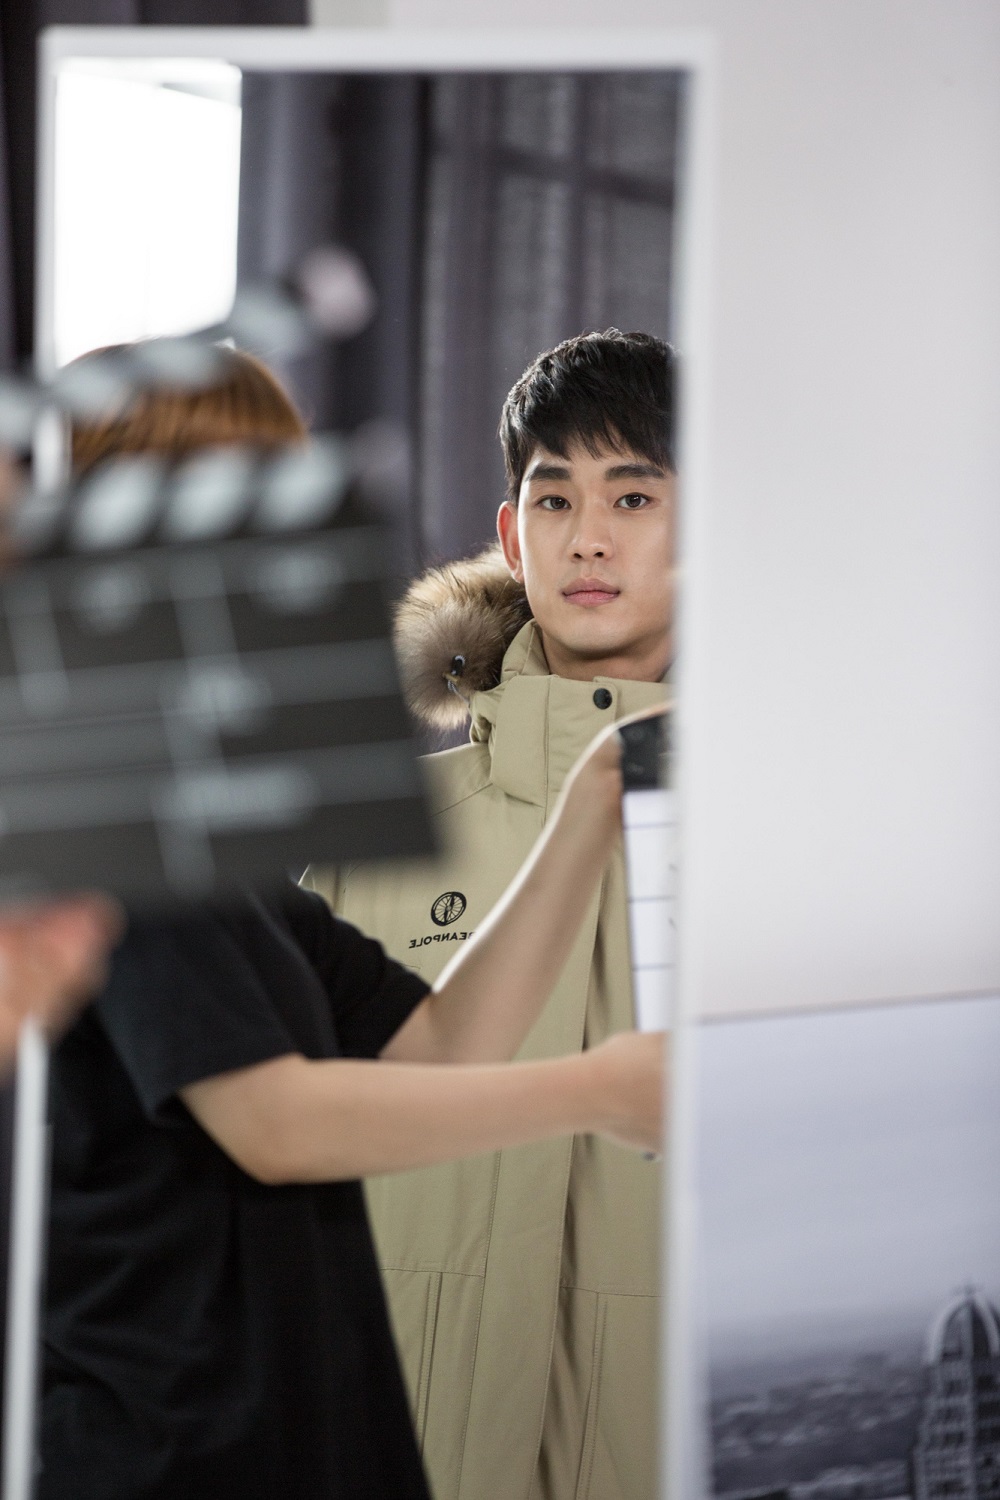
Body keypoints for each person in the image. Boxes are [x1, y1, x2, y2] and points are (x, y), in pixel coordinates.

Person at [41, 344, 665, 1500]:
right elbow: (276, 1124)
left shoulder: (217, 842)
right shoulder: (100, 804)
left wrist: (585, 812)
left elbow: (440, 1049)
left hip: (301, 1448)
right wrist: (598, 1089)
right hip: (166, 1466)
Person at [307, 328, 675, 1500]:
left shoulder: (793, 843)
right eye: (555, 498)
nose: (589, 537)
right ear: (513, 537)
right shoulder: (365, 834)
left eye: (634, 496)